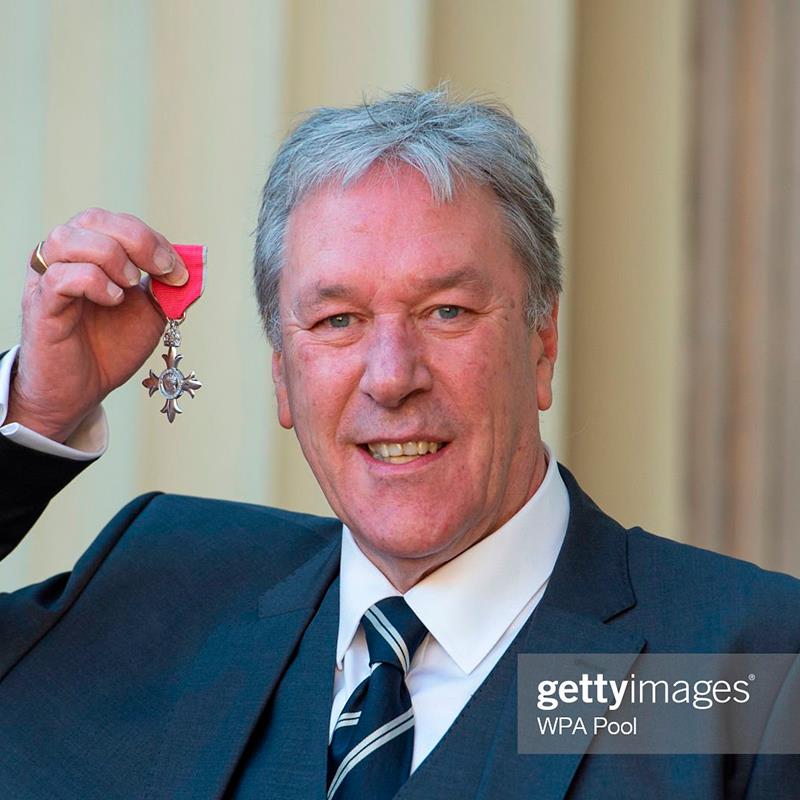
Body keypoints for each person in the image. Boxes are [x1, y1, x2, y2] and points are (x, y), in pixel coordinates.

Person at [0, 88, 798, 799]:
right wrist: (36, 406)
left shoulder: (736, 668)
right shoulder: (163, 592)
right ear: (282, 375)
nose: (390, 378)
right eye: (337, 320)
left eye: (447, 311)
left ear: (542, 341)